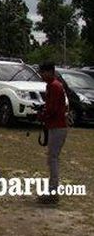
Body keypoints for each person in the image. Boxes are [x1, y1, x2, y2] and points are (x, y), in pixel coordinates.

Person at [37, 62, 68, 205]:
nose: (41, 75)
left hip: (58, 126)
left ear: (50, 72)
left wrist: (43, 115)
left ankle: (53, 192)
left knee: (53, 159)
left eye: (43, 72)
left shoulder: (55, 86)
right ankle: (52, 190)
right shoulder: (52, 86)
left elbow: (53, 110)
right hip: (55, 126)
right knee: (52, 158)